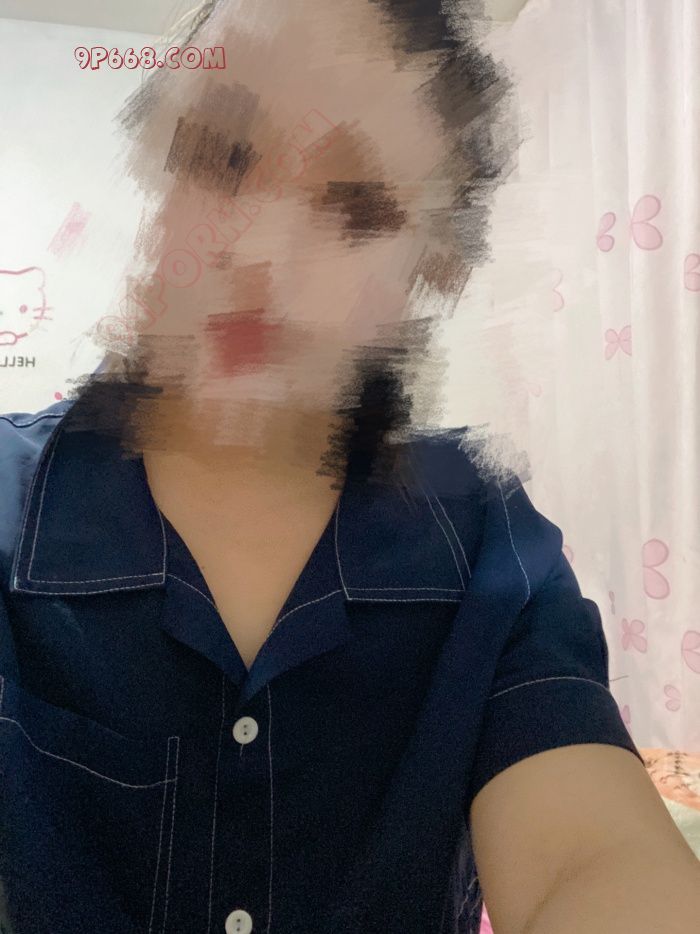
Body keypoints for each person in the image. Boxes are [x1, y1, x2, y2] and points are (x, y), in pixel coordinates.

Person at [1, 2, 698, 933]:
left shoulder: (485, 541)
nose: (257, 252)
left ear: (435, 267)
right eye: (222, 158)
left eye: (358, 207)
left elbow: (592, 854)